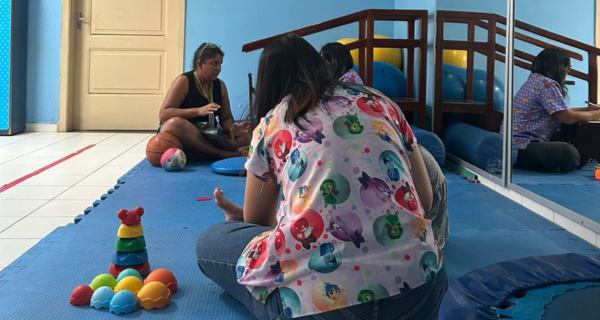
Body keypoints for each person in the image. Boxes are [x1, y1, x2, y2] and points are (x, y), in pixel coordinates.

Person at [196, 34, 447, 319]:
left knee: (211, 241)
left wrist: (240, 217)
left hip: (324, 303)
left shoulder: (273, 121)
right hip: (422, 288)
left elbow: (257, 222)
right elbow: (425, 201)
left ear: (269, 84)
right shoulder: (381, 102)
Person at [503, 48, 600, 172]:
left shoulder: (535, 79)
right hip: (522, 146)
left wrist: (587, 109)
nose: (567, 73)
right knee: (568, 153)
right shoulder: (546, 84)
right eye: (567, 69)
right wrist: (596, 113)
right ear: (558, 68)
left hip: (514, 144)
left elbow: (558, 110)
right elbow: (567, 117)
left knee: (570, 135)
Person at [158, 43, 251, 159]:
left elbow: (226, 118)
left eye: (220, 63)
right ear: (200, 64)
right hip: (186, 133)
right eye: (214, 63)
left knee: (248, 135)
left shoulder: (220, 85)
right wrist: (198, 111)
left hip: (209, 134)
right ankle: (222, 153)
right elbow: (164, 114)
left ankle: (208, 152)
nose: (218, 68)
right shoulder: (183, 81)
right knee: (174, 124)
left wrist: (233, 129)